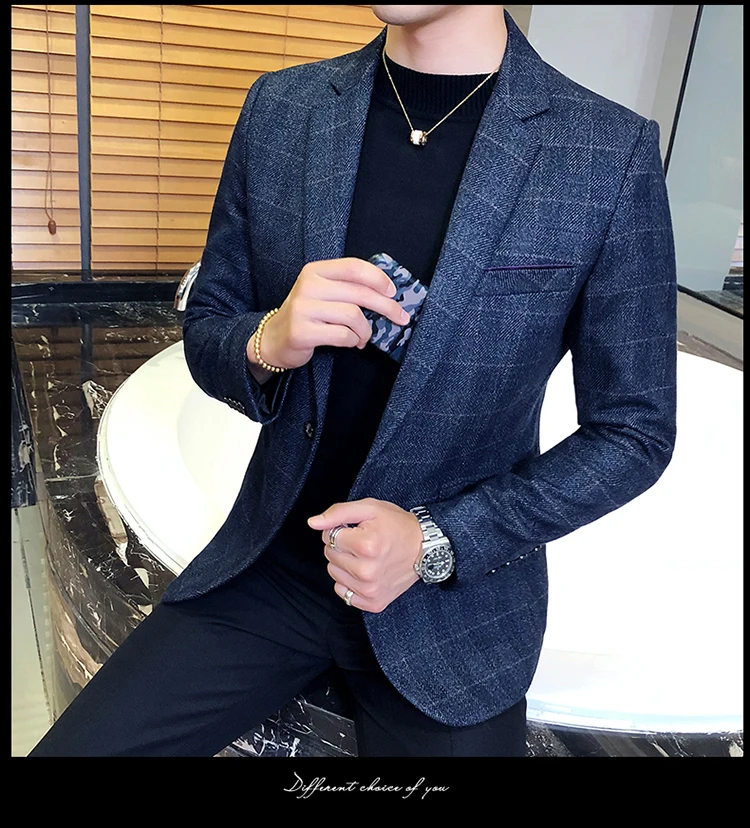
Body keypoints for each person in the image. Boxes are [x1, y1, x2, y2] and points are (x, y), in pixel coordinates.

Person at [29, 5, 676, 757]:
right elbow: (209, 328)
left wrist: (434, 539)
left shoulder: (605, 151)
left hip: (453, 613)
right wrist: (269, 339)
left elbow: (634, 431)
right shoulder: (284, 108)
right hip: (271, 571)